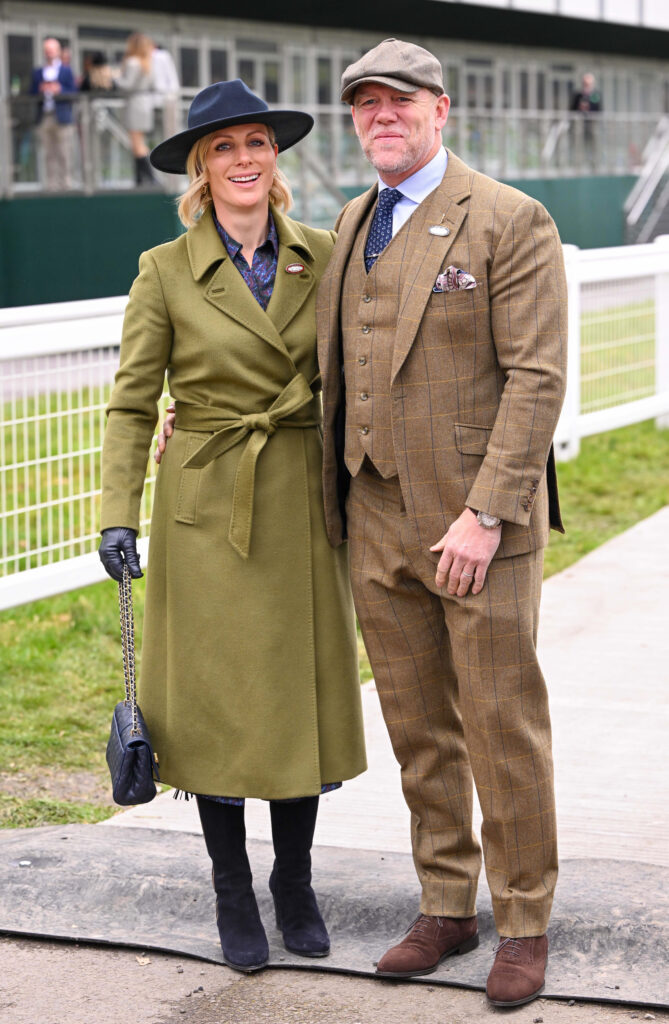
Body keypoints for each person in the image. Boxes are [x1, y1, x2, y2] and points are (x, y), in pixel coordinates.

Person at [317, 39, 567, 1008]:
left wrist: (486, 513)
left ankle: (528, 917)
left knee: (502, 725)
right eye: (365, 104)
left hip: (475, 528)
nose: (382, 115)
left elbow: (538, 377)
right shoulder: (349, 220)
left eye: (399, 101)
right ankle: (449, 902)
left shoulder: (509, 218)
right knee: (419, 726)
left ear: (441, 109)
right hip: (374, 513)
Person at [98, 79, 366, 974]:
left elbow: (359, 370)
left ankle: (294, 881)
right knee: (215, 708)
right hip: (205, 510)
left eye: (257, 143)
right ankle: (229, 888)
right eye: (225, 148)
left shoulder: (324, 255)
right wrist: (115, 515)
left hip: (295, 499)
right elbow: (133, 405)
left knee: (294, 702)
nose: (245, 160)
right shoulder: (162, 270)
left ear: (274, 160)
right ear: (201, 170)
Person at [29, 37, 77, 191]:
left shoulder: (66, 70)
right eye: (47, 51)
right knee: (48, 153)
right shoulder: (38, 72)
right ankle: (51, 185)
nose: (49, 53)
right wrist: (41, 90)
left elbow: (74, 93)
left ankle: (66, 183)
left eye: (52, 50)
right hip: (45, 116)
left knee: (64, 152)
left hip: (62, 116)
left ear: (57, 52)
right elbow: (31, 93)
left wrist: (59, 90)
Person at [115, 32, 158, 185]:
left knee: (137, 144)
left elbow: (127, 85)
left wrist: (114, 78)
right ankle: (141, 179)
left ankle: (150, 178)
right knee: (138, 142)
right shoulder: (147, 62)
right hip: (145, 104)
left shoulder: (133, 62)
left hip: (135, 104)